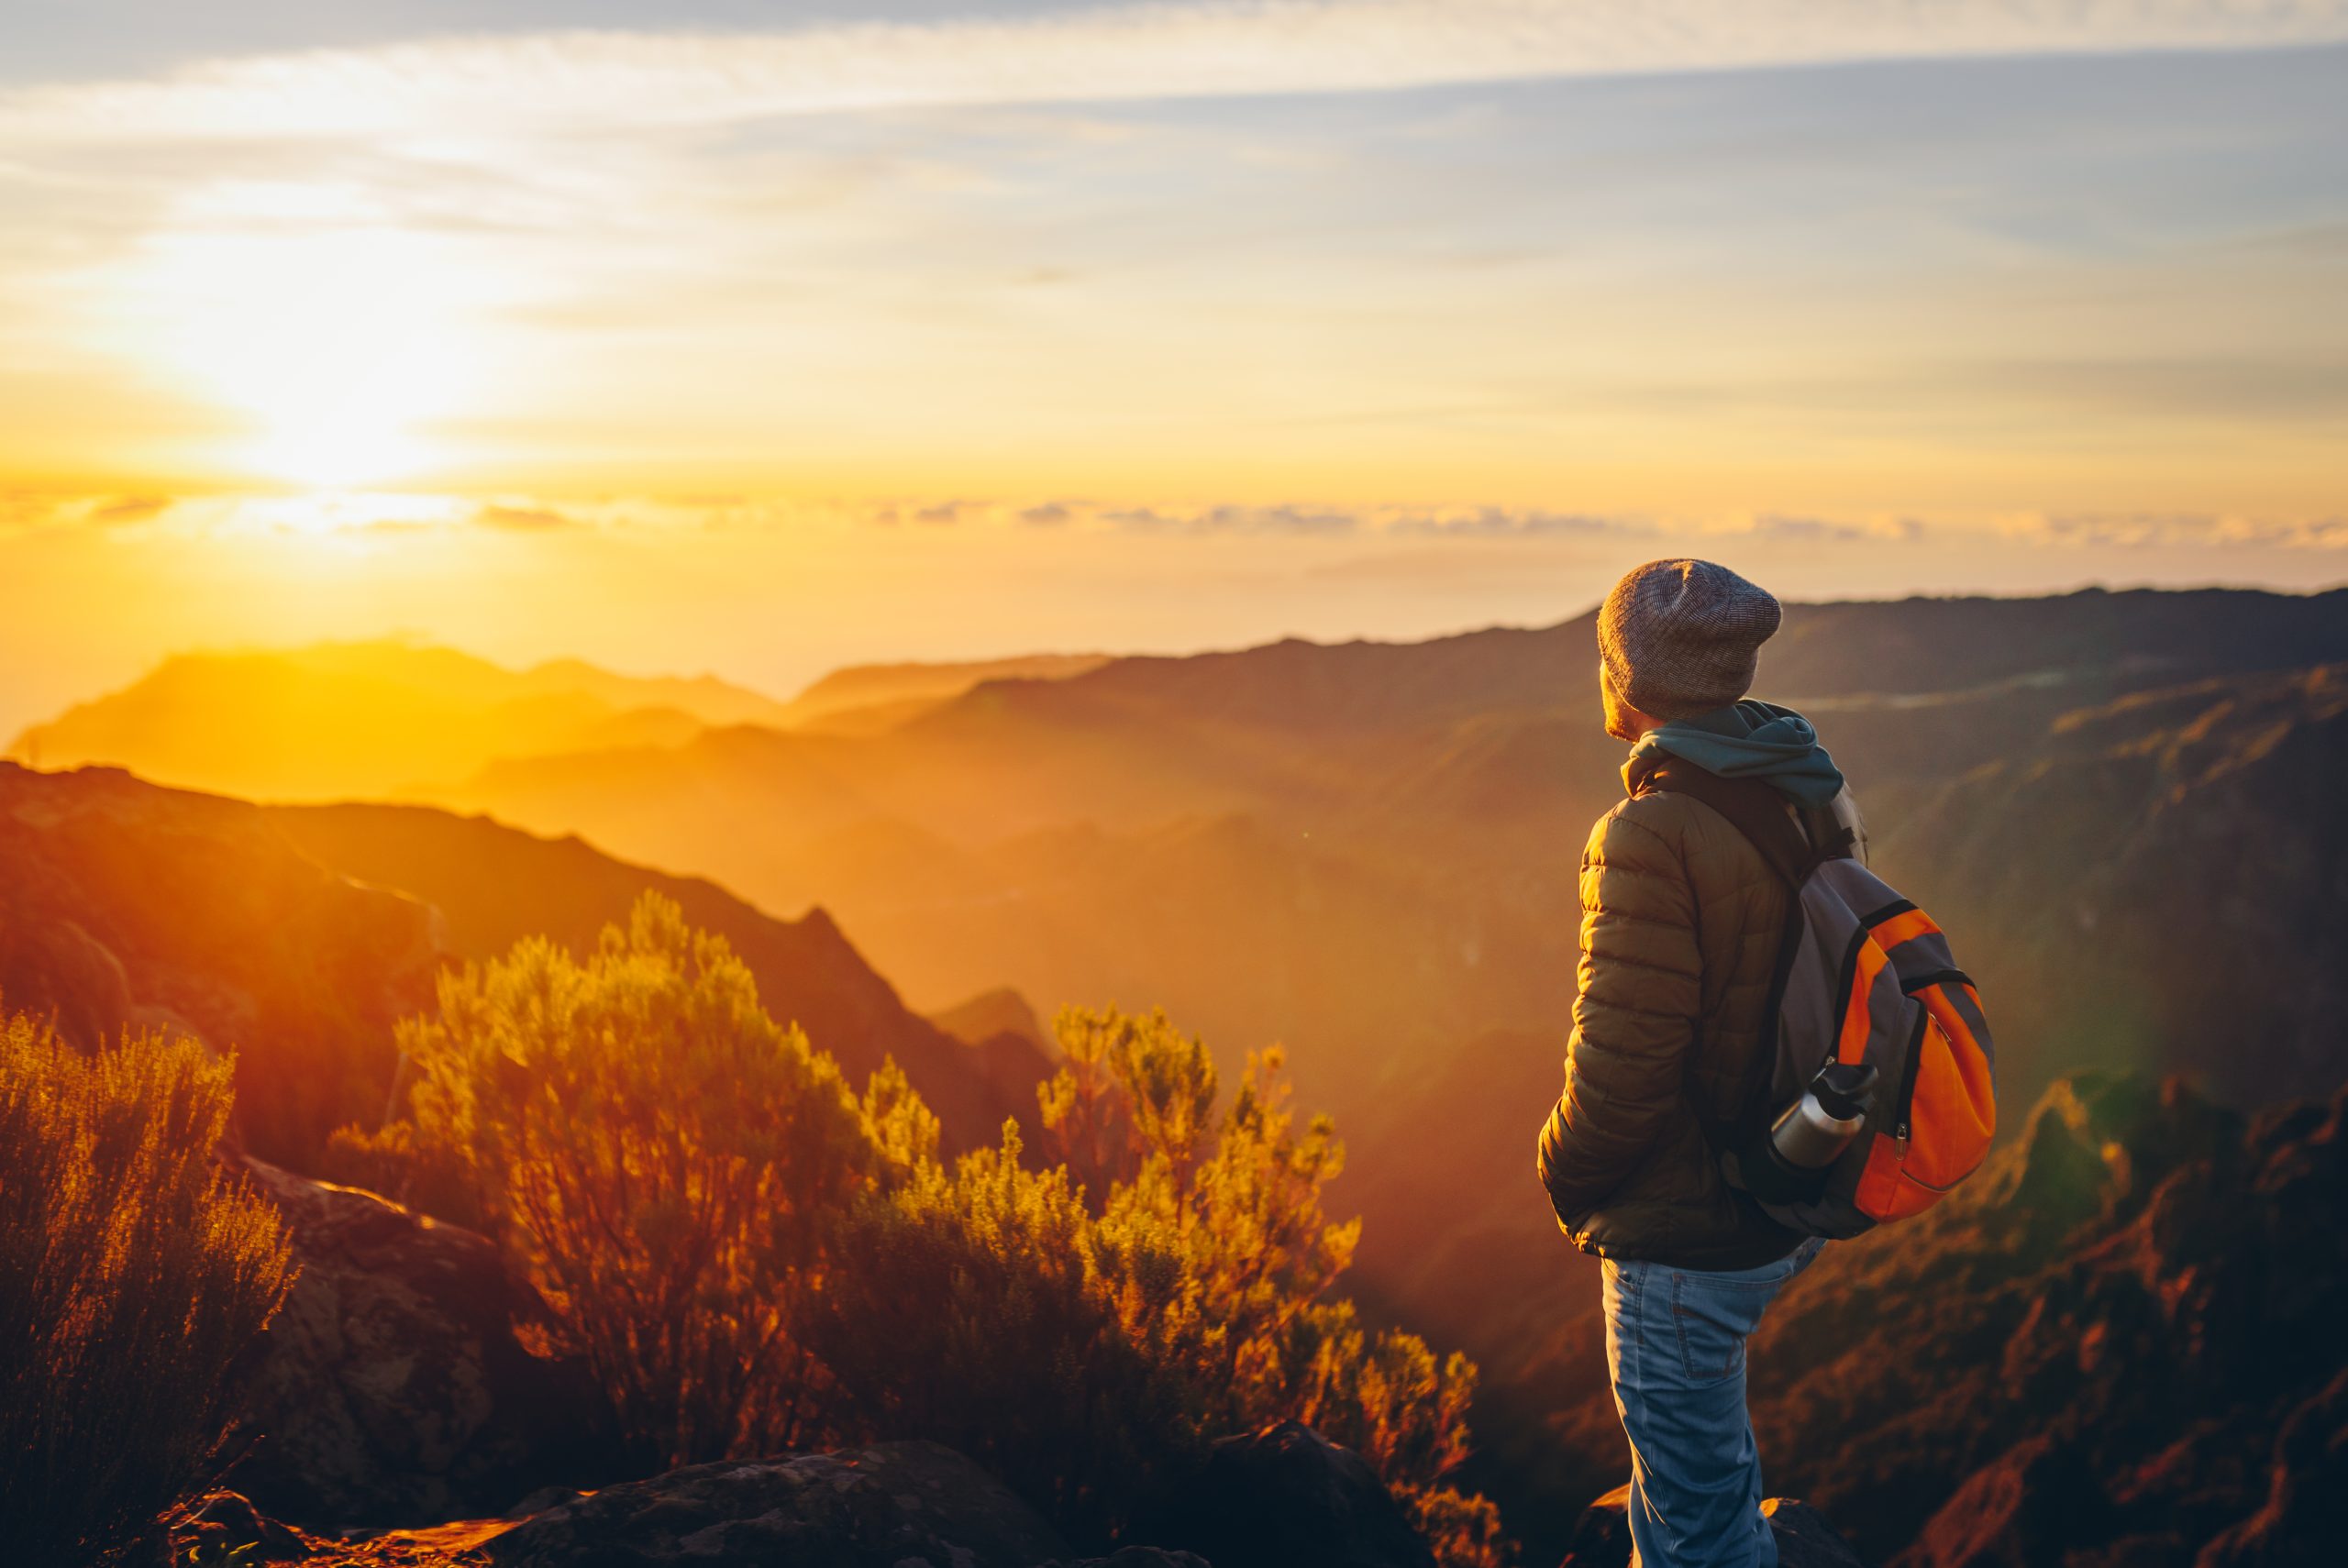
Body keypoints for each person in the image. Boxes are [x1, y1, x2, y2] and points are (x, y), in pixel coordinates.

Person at [1537, 558, 1858, 1568]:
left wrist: (1562, 1171)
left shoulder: (1646, 831)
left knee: (1698, 1540)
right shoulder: (1806, 782)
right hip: (1789, 1177)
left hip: (1691, 1232)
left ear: (1620, 676)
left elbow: (1620, 1067)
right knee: (1702, 1478)